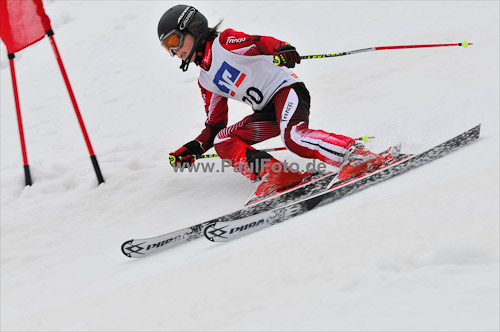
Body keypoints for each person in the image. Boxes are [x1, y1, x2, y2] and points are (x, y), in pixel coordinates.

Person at [160, 5, 386, 196]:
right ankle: (278, 174)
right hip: (266, 111)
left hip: (287, 91)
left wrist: (281, 48)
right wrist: (195, 148)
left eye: (174, 41)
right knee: (223, 141)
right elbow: (215, 124)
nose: (173, 51)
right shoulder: (206, 80)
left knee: (294, 137)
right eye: (167, 48)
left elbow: (257, 43)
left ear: (193, 28)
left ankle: (357, 156)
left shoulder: (224, 42)